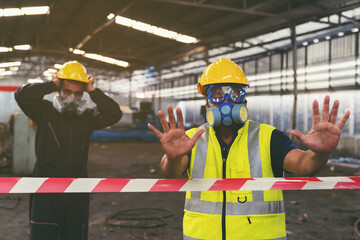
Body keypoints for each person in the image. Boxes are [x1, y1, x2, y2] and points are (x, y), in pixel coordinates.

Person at [148, 58, 350, 240]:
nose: (226, 101)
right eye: (216, 94)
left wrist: (321, 153)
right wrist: (173, 157)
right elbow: (171, 172)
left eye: (235, 93)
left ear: (244, 100)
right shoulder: (191, 139)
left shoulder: (269, 137)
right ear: (207, 103)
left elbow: (304, 164)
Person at [15, 60, 122, 240]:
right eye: (67, 91)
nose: (73, 98)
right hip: (46, 189)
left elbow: (114, 113)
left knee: (75, 235)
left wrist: (93, 92)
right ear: (59, 90)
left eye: (78, 93)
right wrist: (53, 84)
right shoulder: (44, 111)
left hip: (77, 190)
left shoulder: (87, 118)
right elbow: (21, 96)